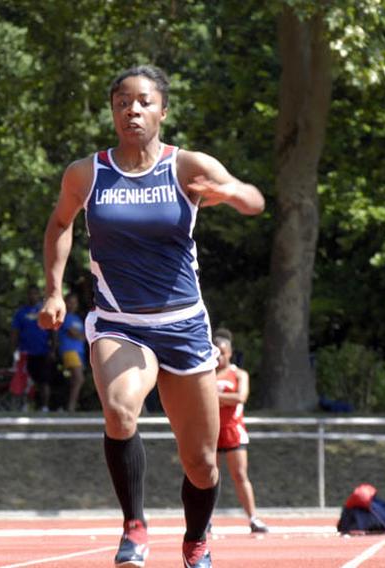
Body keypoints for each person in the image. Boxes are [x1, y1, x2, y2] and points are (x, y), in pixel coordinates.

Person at [39, 65, 265, 568]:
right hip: (120, 323)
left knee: (202, 463)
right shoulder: (88, 172)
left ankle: (197, 538)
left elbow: (255, 200)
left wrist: (227, 193)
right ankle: (135, 525)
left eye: (143, 102)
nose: (132, 110)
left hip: (183, 325)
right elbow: (59, 224)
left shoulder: (186, 166)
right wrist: (54, 292)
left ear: (163, 110)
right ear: (113, 110)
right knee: (120, 410)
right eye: (122, 102)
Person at [213, 335, 268, 534]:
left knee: (240, 474)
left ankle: (253, 517)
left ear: (230, 353)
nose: (219, 357)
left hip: (233, 430)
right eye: (215, 352)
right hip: (211, 430)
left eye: (223, 352)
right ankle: (205, 520)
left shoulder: (239, 374)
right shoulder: (206, 374)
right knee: (208, 477)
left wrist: (215, 397)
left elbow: (240, 397)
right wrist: (222, 399)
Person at [12, 285, 56, 411]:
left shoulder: (45, 311)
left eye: (35, 294)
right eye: (30, 294)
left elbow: (52, 331)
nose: (32, 296)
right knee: (25, 380)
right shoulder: (21, 312)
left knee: (44, 381)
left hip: (43, 351)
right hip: (25, 352)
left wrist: (52, 350)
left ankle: (44, 407)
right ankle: (26, 406)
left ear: (39, 295)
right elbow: (15, 332)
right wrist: (15, 350)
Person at [58, 292, 87, 412]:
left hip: (79, 351)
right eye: (70, 302)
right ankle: (71, 407)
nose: (72, 305)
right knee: (79, 378)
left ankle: (68, 406)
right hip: (69, 350)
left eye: (75, 303)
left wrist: (81, 336)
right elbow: (73, 333)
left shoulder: (77, 318)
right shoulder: (64, 317)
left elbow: (84, 336)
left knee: (74, 380)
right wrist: (81, 336)